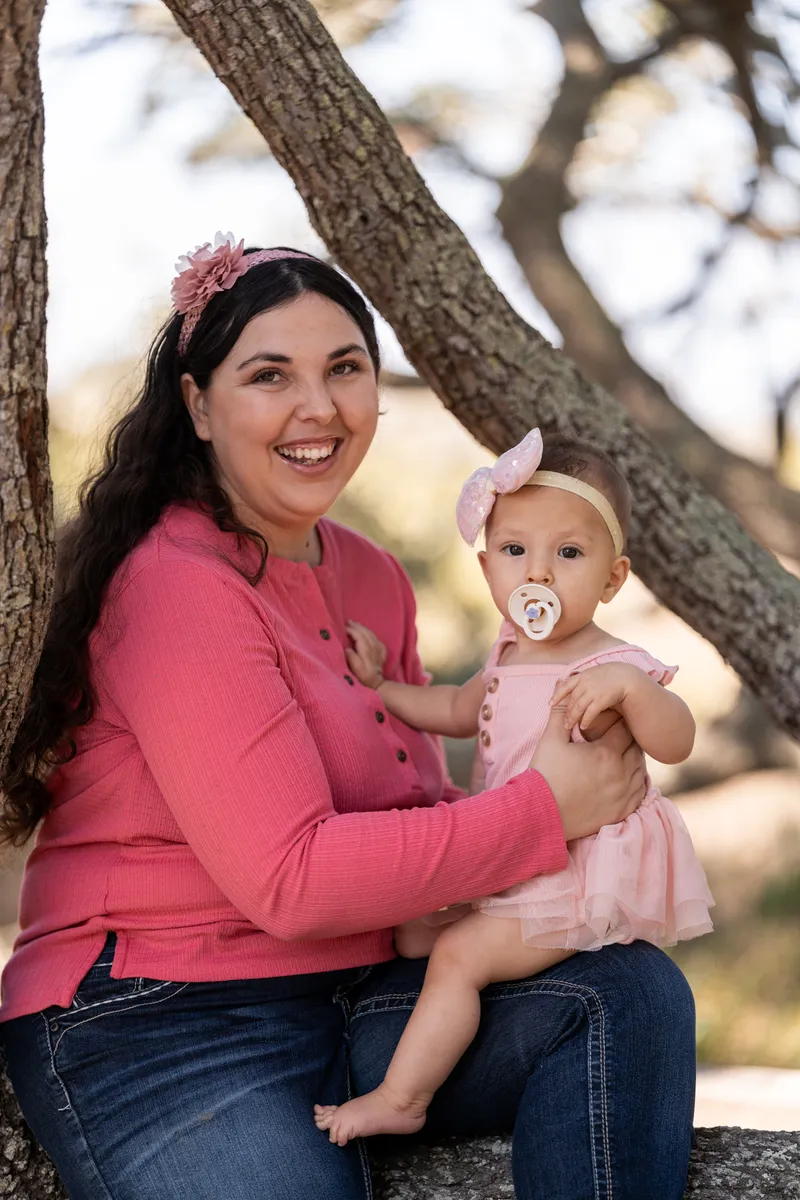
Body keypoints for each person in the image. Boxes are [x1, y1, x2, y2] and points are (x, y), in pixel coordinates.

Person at [0, 234, 695, 1200]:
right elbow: (292, 882)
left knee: (622, 991)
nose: (317, 407)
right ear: (199, 405)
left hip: (362, 994)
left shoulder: (368, 574)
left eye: (345, 369)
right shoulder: (172, 585)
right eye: (268, 375)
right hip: (162, 1017)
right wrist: (547, 812)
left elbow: (414, 801)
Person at [314, 429, 714, 1148]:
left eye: (569, 553)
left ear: (613, 578)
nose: (540, 571)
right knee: (411, 932)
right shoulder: (506, 652)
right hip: (512, 855)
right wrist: (382, 688)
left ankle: (403, 1096)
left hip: (571, 873)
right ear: (487, 564)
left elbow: (676, 738)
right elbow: (456, 708)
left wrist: (629, 690)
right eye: (515, 550)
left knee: (455, 958)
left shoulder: (616, 661)